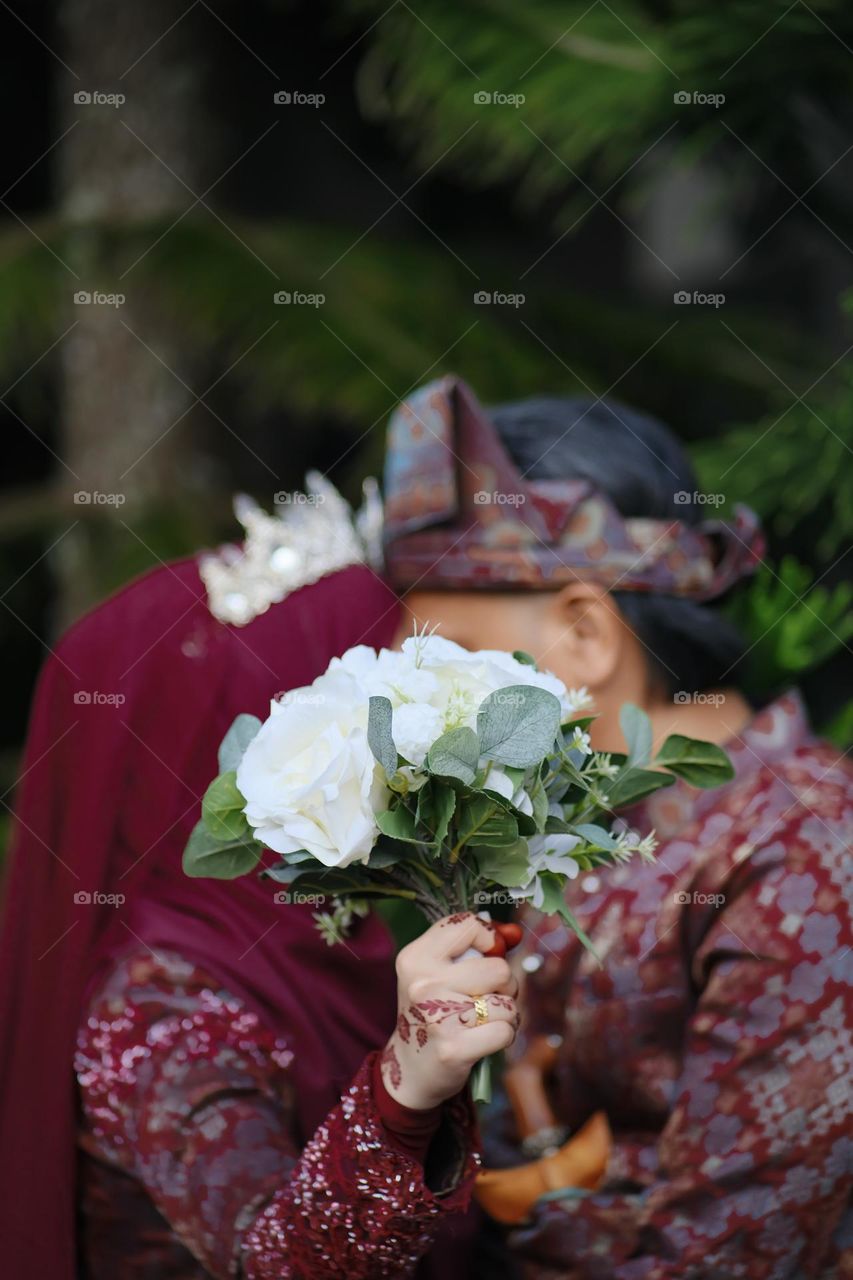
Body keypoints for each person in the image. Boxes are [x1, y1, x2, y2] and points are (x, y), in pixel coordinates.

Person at [383, 376, 852, 1278]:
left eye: (443, 658)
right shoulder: (552, 826)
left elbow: (738, 1251)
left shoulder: (799, 843)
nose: (414, 705)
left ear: (584, 636)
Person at [0, 521, 520, 1280]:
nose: (405, 758)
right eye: (373, 721)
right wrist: (404, 1091)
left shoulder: (320, 943)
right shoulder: (161, 1009)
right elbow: (273, 1263)